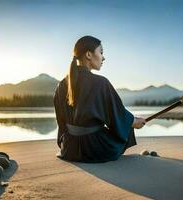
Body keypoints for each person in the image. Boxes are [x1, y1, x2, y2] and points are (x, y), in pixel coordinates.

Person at [53, 35, 147, 163]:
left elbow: (61, 123)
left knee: (125, 122)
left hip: (69, 148)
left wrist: (65, 143)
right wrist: (134, 121)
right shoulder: (101, 83)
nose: (103, 57)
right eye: (101, 52)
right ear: (89, 55)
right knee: (126, 126)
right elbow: (117, 117)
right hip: (95, 149)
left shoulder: (61, 84)